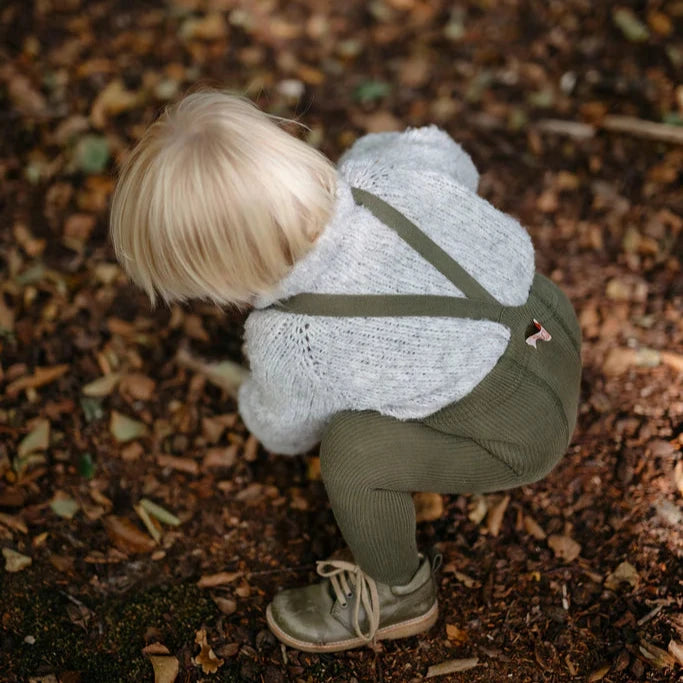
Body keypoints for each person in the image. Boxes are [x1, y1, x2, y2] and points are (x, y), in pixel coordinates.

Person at [110, 90, 582, 653]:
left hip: (521, 435)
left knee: (352, 451)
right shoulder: (379, 174)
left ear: (223, 273)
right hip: (550, 329)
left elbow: (284, 432)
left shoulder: (290, 337)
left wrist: (252, 401)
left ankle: (398, 590)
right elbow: (443, 151)